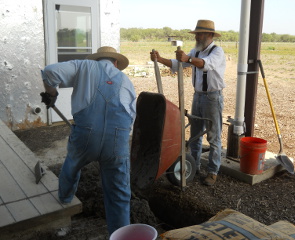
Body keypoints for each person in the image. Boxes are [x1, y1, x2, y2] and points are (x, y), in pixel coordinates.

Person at [40, 46, 136, 234]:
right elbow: (131, 115)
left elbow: (50, 72)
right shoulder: (126, 80)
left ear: (97, 59)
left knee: (72, 164)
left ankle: (65, 199)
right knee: (119, 191)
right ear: (116, 63)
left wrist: (52, 94)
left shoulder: (85, 65)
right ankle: (120, 234)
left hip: (86, 136)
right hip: (118, 139)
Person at [150, 20, 226, 186]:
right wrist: (160, 58)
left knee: (213, 136)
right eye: (197, 33)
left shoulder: (217, 52)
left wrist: (188, 59)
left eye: (200, 33)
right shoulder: (196, 52)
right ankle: (195, 165)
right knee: (195, 134)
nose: (197, 36)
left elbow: (205, 65)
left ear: (210, 35)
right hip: (198, 96)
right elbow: (179, 64)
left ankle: (213, 172)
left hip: (213, 97)